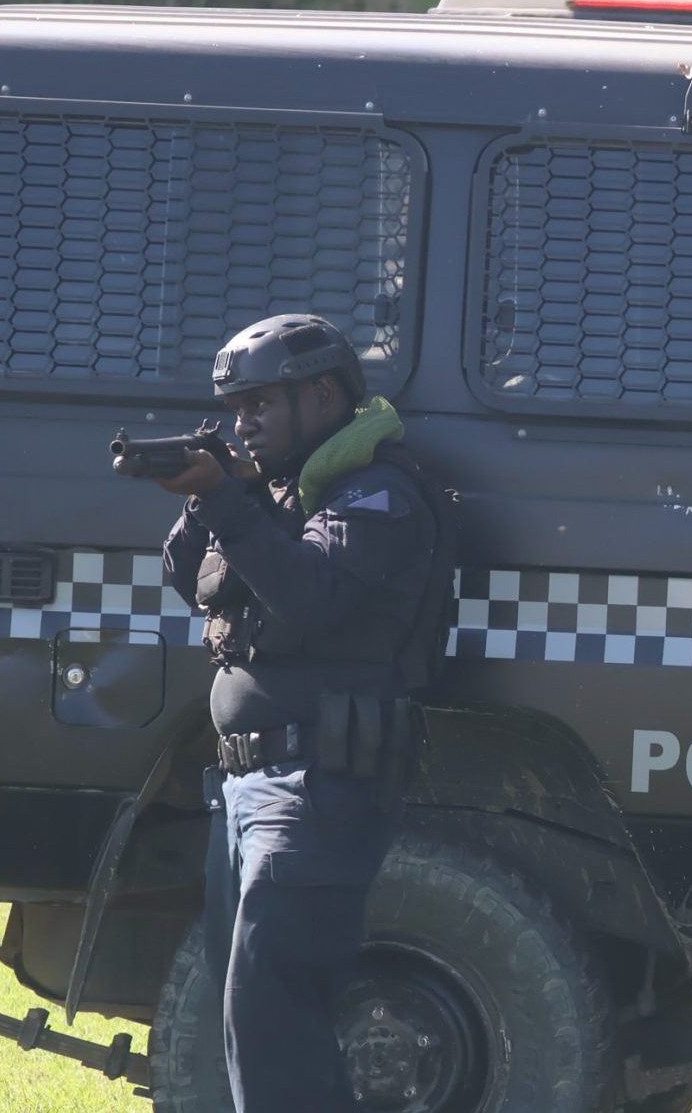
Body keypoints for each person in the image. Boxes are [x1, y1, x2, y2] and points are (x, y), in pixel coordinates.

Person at [132, 314, 451, 1111]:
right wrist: (210, 491)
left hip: (315, 785)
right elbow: (191, 578)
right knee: (247, 1008)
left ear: (322, 396)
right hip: (246, 787)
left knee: (273, 1008)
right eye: (237, 411)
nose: (246, 423)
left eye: (261, 406)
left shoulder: (376, 492)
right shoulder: (272, 494)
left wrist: (229, 499)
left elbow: (309, 596)